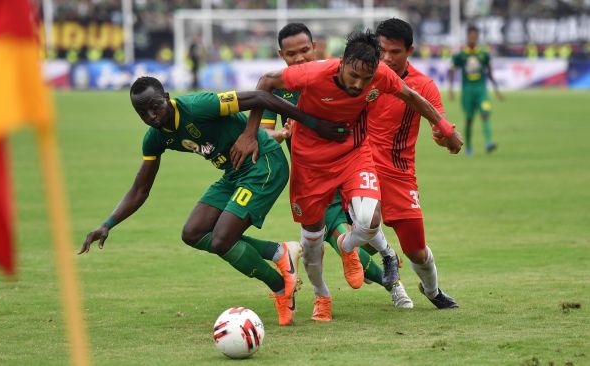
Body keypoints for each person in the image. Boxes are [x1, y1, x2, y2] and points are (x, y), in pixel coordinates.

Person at [78, 76, 348, 326]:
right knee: (193, 233)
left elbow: (260, 97)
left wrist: (313, 125)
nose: (151, 116)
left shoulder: (199, 105)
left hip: (262, 162)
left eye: (155, 106)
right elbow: (140, 190)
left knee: (221, 240)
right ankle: (279, 260)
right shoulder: (155, 138)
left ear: (167, 97)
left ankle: (280, 281)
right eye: (143, 112)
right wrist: (108, 224)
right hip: (233, 172)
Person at [249, 29, 463, 321]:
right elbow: (265, 83)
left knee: (369, 220)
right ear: (342, 63)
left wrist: (447, 129)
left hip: (353, 155)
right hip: (310, 166)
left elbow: (412, 96)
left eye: (366, 78)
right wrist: (251, 134)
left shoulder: (380, 75)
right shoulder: (312, 74)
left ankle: (348, 247)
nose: (359, 84)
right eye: (354, 76)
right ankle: (322, 295)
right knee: (311, 243)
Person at [362, 18, 460, 308]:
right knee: (365, 222)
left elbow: (438, 126)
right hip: (360, 165)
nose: (387, 58)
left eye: (395, 52)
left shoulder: (423, 86)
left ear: (410, 50)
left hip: (400, 173)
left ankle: (432, 291)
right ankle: (385, 261)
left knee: (416, 250)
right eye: (382, 51)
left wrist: (443, 137)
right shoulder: (363, 74)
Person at [448, 25, 503, 155]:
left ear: (477, 37)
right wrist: (451, 89)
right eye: (470, 36)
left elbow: (489, 72)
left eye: (475, 37)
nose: (473, 39)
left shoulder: (483, 54)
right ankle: (468, 147)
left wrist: (496, 90)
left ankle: (488, 142)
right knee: (469, 119)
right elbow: (451, 70)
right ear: (467, 37)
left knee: (485, 114)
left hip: (481, 91)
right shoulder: (461, 55)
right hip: (467, 92)